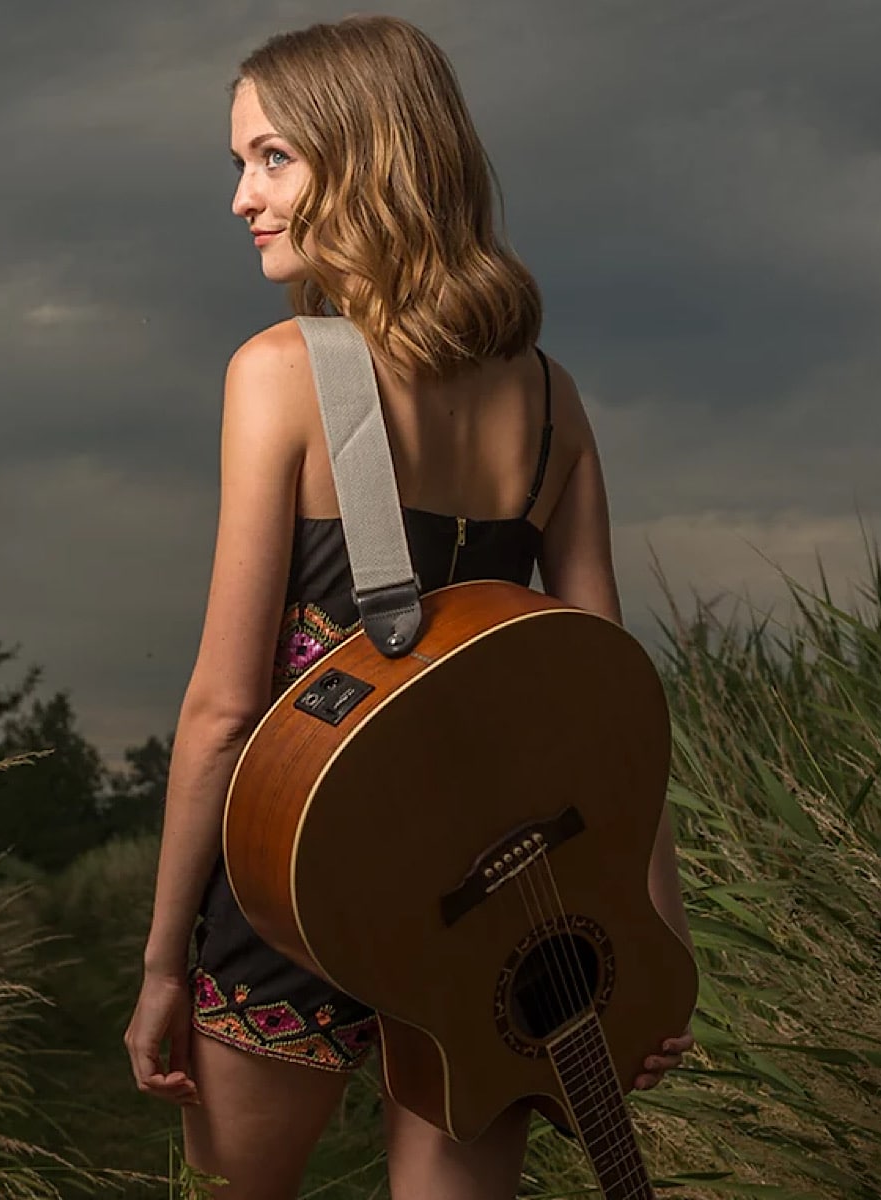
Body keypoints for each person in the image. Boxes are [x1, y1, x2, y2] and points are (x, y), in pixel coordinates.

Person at [125, 15, 695, 1199]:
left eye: (272, 157)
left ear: (370, 155)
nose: (243, 195)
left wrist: (164, 960)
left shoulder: (279, 374)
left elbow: (227, 712)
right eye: (240, 163)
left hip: (292, 882)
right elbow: (618, 725)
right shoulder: (552, 401)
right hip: (485, 912)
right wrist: (654, 949)